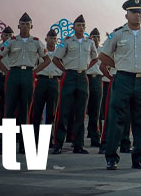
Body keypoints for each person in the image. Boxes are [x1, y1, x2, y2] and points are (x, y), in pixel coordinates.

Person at [99, 0, 141, 170]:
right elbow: (103, 55)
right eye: (134, 12)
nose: (137, 15)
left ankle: (139, 158)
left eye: (140, 12)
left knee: (140, 120)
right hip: (123, 78)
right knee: (116, 119)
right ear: (126, 14)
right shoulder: (118, 34)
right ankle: (111, 157)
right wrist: (118, 63)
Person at [0, 13, 47, 155]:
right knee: (9, 110)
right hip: (14, 74)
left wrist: (35, 71)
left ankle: (25, 146)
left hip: (28, 74)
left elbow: (46, 59)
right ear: (18, 26)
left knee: (25, 111)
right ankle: (4, 146)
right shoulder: (11, 41)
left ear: (31, 26)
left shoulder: (36, 42)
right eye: (22, 24)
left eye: (27, 24)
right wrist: (6, 72)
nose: (25, 27)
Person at [51, 14, 98, 154]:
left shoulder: (89, 42)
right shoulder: (67, 41)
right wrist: (64, 70)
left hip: (83, 76)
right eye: (78, 25)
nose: (81, 28)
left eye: (83, 25)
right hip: (69, 76)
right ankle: (58, 143)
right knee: (64, 111)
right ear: (73, 27)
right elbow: (56, 58)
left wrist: (86, 67)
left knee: (81, 112)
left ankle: (78, 145)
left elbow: (95, 58)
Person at [30, 28, 63, 136]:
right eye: (50, 38)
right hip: (41, 81)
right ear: (46, 39)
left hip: (54, 81)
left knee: (51, 112)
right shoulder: (40, 52)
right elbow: (34, 65)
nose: (52, 40)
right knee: (37, 111)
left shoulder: (60, 53)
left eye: (54, 38)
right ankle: (35, 137)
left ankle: (48, 139)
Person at [86, 28, 105, 147]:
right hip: (86, 78)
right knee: (82, 109)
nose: (95, 39)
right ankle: (76, 138)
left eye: (97, 37)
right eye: (93, 37)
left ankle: (95, 137)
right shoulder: (86, 50)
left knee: (96, 110)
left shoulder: (103, 51)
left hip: (98, 79)